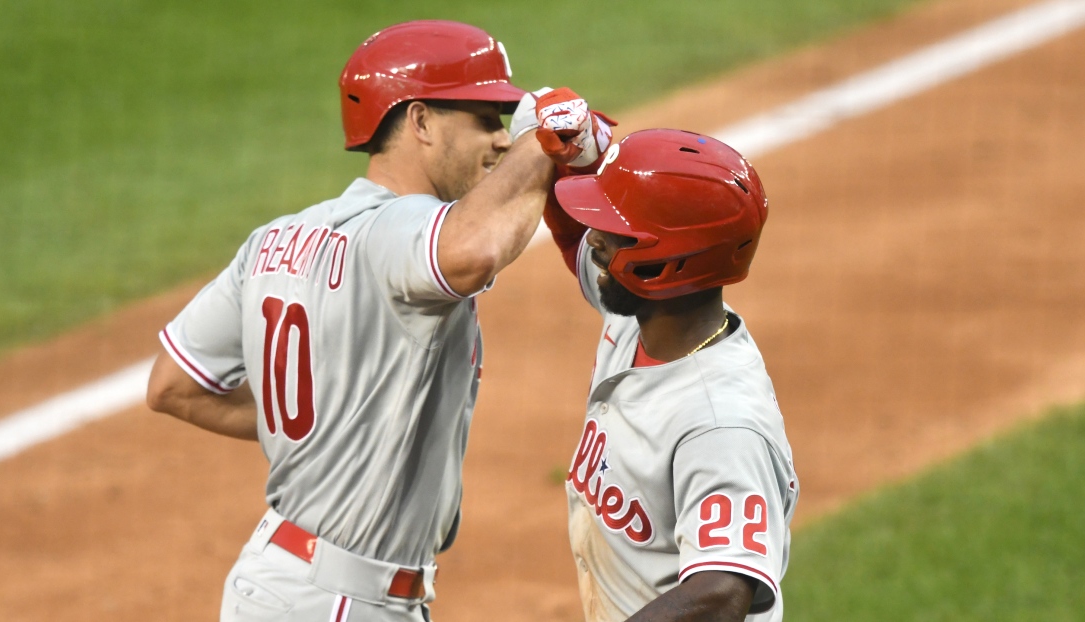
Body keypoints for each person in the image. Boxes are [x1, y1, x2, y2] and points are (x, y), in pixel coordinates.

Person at [144, 20, 610, 622]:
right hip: (335, 601)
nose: (499, 140)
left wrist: (328, 429)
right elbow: (472, 251)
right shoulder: (397, 229)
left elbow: (172, 385)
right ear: (419, 121)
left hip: (286, 582)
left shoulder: (276, 239)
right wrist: (543, 145)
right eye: (484, 120)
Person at [539, 128, 799, 621]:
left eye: (615, 230)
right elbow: (576, 236)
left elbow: (722, 591)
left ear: (664, 265)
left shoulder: (721, 425)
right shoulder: (642, 318)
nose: (595, 238)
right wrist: (574, 153)